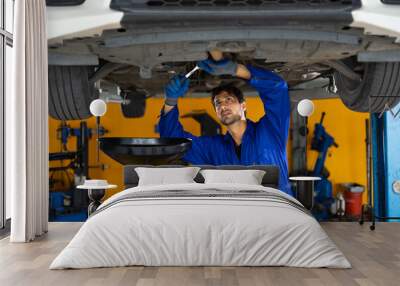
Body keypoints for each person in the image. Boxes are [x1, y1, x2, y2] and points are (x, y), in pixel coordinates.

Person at [158, 54, 292, 196]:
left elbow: (277, 88)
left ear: (243, 105)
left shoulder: (270, 130)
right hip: (238, 216)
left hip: (277, 211)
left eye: (229, 99)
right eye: (218, 103)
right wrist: (170, 101)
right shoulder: (214, 148)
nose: (223, 106)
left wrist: (235, 69)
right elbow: (174, 142)